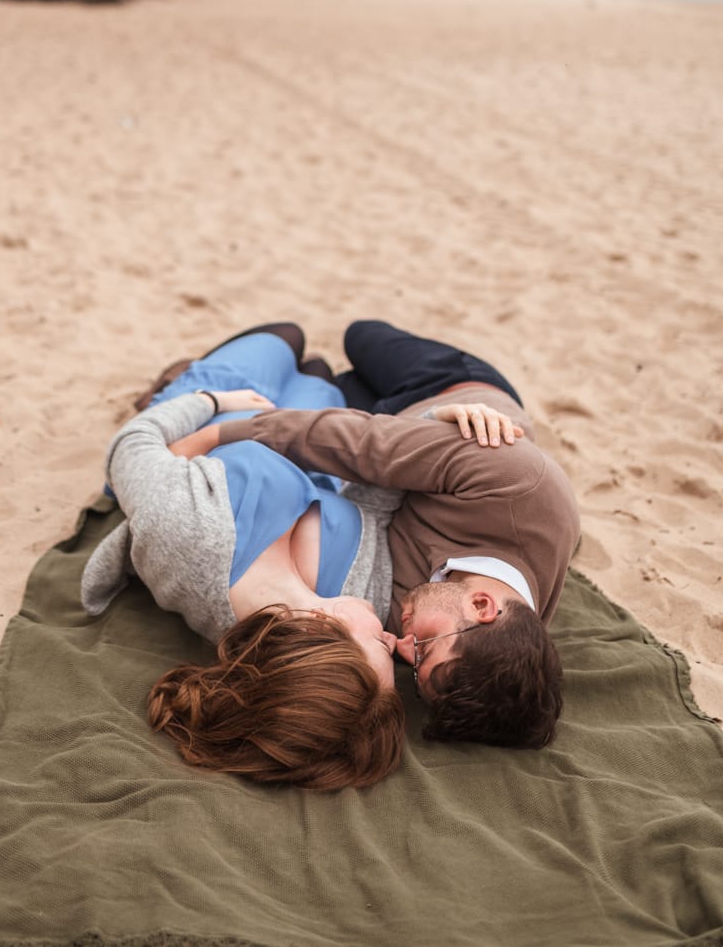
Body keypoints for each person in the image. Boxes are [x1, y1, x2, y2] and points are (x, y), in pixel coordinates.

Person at [214, 321, 582, 750]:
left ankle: (314, 376)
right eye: (424, 648)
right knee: (359, 336)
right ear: (482, 605)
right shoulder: (517, 484)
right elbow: (357, 444)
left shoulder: (472, 642)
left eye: (415, 668)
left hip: (395, 442)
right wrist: (212, 437)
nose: (401, 646)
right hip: (445, 393)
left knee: (322, 377)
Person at [80, 325, 406, 790]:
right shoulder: (361, 590)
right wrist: (440, 422)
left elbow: (133, 444)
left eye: (381, 647)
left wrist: (215, 408)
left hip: (215, 420)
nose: (395, 641)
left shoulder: (190, 536)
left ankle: (173, 388)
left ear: (316, 629)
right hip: (310, 442)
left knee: (287, 339)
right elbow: (379, 496)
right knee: (323, 375)